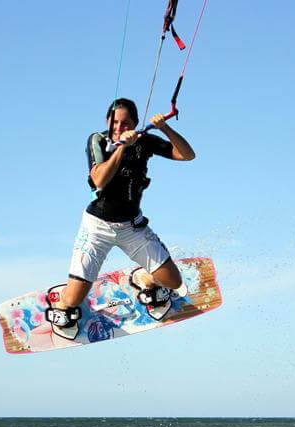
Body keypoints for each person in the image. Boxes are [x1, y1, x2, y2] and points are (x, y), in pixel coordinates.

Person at [45, 98, 196, 336]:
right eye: (115, 122)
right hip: (97, 227)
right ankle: (63, 306)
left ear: (135, 123)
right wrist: (122, 148)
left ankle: (145, 279)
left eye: (126, 123)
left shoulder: (144, 141)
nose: (119, 127)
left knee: (174, 283)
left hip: (132, 228)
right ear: (108, 121)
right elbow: (99, 179)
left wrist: (165, 128)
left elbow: (188, 155)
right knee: (73, 299)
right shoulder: (98, 140)